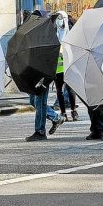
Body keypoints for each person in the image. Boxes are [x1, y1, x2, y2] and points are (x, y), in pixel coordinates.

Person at [26, 11, 66, 142]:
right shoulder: (36, 36)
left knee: (40, 102)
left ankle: (40, 131)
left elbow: (49, 58)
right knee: (33, 101)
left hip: (43, 74)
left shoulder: (48, 36)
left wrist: (44, 76)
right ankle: (55, 117)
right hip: (35, 73)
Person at [54, 11, 79, 122]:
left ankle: (74, 111)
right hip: (57, 66)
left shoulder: (70, 32)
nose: (59, 20)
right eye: (57, 18)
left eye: (61, 18)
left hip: (68, 65)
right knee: (59, 91)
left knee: (70, 89)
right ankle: (63, 112)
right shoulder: (54, 33)